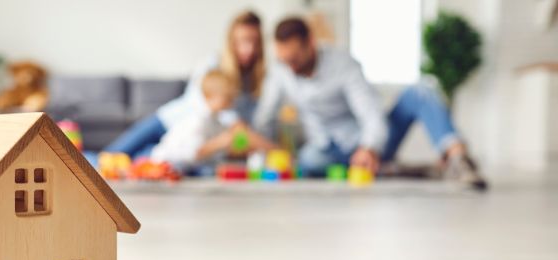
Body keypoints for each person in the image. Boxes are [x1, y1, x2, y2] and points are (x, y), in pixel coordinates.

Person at [253, 17, 487, 190]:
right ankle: (391, 169)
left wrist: (369, 147)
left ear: (311, 43)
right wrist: (258, 150)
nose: (290, 67)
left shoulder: (343, 64)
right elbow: (265, 117)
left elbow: (370, 112)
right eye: (285, 61)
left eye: (295, 59)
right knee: (309, 161)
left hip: (366, 141)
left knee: (421, 91)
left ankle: (458, 159)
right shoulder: (280, 71)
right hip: (324, 149)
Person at [104, 10, 267, 158]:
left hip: (185, 143)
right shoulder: (212, 63)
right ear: (232, 41)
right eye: (244, 41)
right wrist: (235, 123)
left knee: (139, 163)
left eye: (254, 42)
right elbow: (201, 101)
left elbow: (246, 124)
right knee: (111, 156)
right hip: (168, 121)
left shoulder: (255, 81)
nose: (249, 49)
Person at [150, 70, 274, 171]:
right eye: (227, 97)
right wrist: (219, 143)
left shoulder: (216, 121)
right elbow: (193, 153)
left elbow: (226, 145)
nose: (231, 101)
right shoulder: (198, 120)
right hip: (165, 163)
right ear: (209, 96)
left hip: (186, 166)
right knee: (208, 171)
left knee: (215, 168)